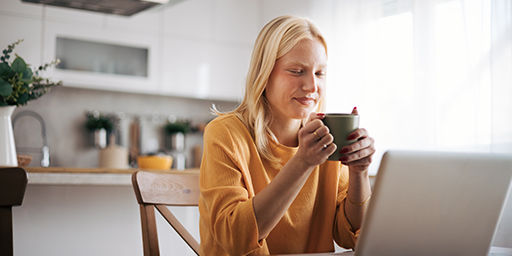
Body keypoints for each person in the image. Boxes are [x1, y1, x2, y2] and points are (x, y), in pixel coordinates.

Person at [199, 15, 375, 256]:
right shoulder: (226, 134)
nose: (312, 86)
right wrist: (303, 163)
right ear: (264, 73)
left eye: (320, 73)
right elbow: (235, 240)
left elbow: (349, 235)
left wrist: (359, 173)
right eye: (297, 71)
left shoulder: (327, 137)